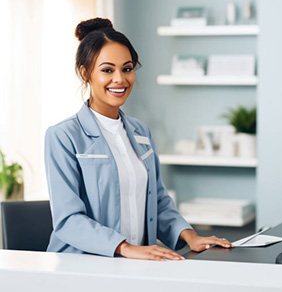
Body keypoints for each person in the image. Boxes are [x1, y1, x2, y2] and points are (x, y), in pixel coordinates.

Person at [44, 17, 232, 260]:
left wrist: (189, 236)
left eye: (127, 68)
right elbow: (68, 220)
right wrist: (124, 247)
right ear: (85, 73)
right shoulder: (63, 136)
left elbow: (160, 202)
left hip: (134, 265)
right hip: (80, 265)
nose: (120, 79)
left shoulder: (140, 132)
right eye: (107, 70)